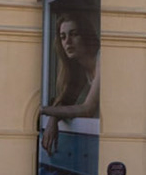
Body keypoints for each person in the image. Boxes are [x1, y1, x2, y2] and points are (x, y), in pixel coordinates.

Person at [39, 15, 101, 155]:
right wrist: (54, 117)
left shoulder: (101, 58)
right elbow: (68, 104)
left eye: (74, 34)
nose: (68, 42)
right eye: (63, 37)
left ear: (86, 35)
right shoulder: (80, 70)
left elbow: (87, 109)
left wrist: (41, 110)